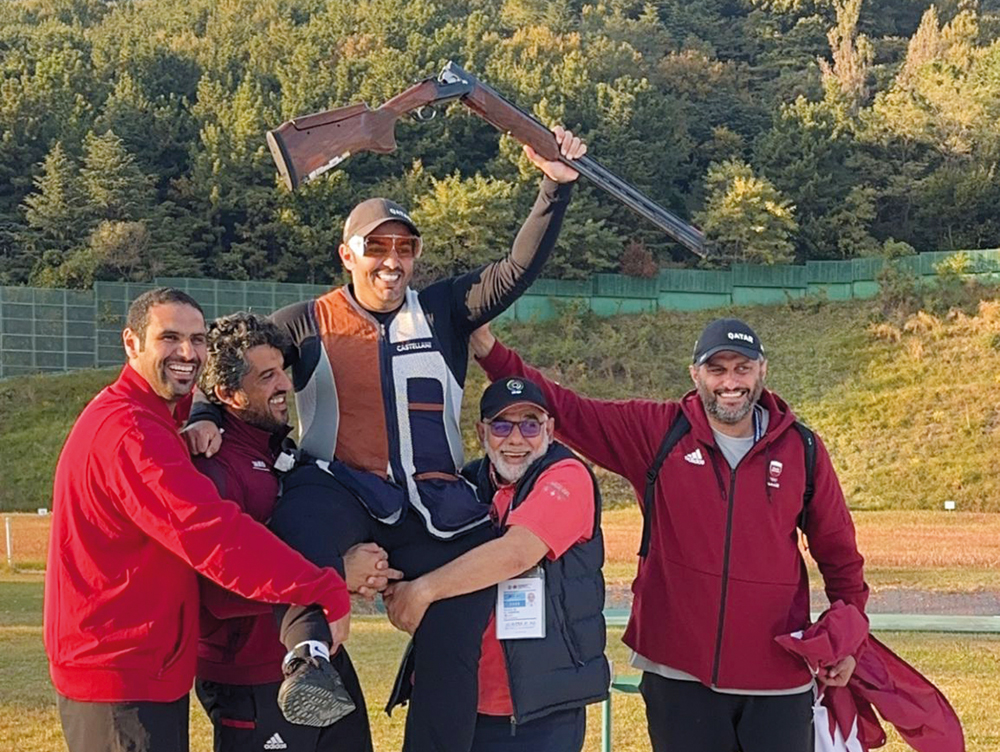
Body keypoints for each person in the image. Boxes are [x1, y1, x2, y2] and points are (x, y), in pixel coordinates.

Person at [184, 127, 588, 751]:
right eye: (377, 248)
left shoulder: (445, 309)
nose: (392, 261)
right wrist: (206, 410)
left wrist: (554, 188)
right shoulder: (306, 321)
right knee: (298, 534)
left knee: (459, 617)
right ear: (347, 254)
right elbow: (239, 361)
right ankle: (309, 656)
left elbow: (514, 271)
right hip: (339, 489)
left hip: (432, 502)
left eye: (405, 247)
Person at [469, 318, 869, 752]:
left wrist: (849, 641)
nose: (730, 382)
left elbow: (841, 557)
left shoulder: (802, 449)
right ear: (695, 374)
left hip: (777, 680)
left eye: (742, 368)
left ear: (762, 370)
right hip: (679, 677)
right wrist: (490, 351)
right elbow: (568, 411)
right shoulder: (658, 431)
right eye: (716, 369)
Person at [44, 288, 352, 752]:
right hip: (120, 675)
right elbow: (214, 536)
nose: (187, 352)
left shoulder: (154, 417)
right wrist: (325, 585)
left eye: (197, 339)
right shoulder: (132, 433)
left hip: (139, 666)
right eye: (170, 337)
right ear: (132, 343)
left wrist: (204, 414)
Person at [193, 312, 405, 752]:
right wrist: (334, 573)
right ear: (227, 394)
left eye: (282, 373)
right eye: (267, 377)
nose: (285, 387)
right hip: (253, 679)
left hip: (324, 662)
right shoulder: (213, 466)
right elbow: (212, 589)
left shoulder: (281, 452)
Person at [383, 376, 609, 752]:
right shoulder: (464, 483)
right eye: (502, 426)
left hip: (539, 712)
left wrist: (422, 591)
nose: (516, 439)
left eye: (530, 424)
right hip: (459, 702)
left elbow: (517, 552)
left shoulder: (568, 475)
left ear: (550, 429)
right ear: (481, 432)